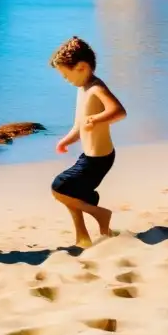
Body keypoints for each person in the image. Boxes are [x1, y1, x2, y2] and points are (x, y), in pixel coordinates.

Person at [49, 36, 127, 249]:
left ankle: (101, 215)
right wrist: (66, 140)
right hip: (89, 156)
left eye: (66, 75)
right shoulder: (82, 89)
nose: (66, 80)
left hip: (99, 159)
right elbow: (79, 125)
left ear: (82, 67)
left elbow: (119, 111)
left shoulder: (95, 88)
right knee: (70, 194)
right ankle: (82, 238)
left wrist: (97, 118)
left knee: (59, 187)